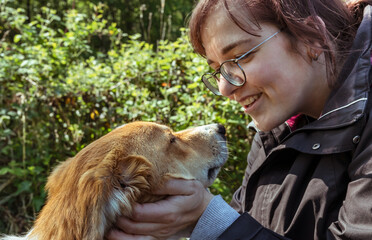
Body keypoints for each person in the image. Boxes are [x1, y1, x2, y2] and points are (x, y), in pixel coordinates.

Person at [107, 0, 372, 239]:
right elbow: (251, 223)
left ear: (311, 37)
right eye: (218, 70)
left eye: (239, 57)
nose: (225, 88)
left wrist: (209, 220)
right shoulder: (277, 130)